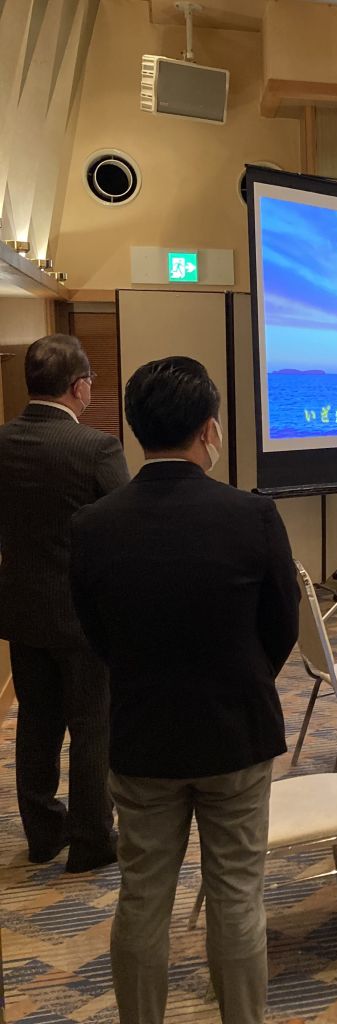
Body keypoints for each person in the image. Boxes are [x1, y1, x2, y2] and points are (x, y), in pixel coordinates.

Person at [70, 357, 299, 1024]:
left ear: (136, 429)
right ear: (210, 430)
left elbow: (96, 633)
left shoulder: (93, 525)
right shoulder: (252, 516)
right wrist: (241, 676)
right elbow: (281, 626)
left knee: (142, 898)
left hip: (142, 737)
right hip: (236, 734)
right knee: (237, 897)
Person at [0, 333, 128, 870]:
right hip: (83, 614)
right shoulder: (96, 448)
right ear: (78, 387)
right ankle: (91, 841)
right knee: (92, 724)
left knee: (37, 720)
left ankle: (42, 834)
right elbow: (123, 527)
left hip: (22, 609)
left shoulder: (2, 441)